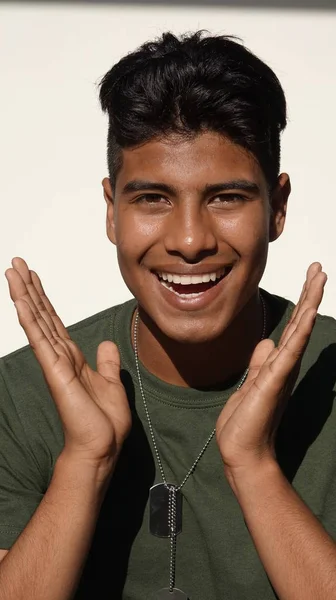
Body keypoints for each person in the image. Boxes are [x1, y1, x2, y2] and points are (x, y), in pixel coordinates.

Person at [0, 30, 335, 600]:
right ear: (111, 211)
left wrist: (254, 466)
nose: (188, 240)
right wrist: (84, 461)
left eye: (226, 197)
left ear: (277, 209)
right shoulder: (20, 394)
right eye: (152, 198)